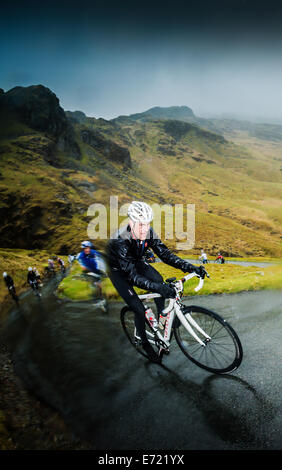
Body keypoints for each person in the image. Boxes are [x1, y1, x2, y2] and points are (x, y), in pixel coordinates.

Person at [106, 201, 204, 363]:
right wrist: (159, 288)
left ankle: (161, 318)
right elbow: (132, 277)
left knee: (158, 280)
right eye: (141, 225)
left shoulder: (148, 231)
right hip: (119, 271)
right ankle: (144, 343)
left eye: (147, 224)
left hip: (136, 261)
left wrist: (190, 267)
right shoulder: (120, 240)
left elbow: (165, 254)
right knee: (137, 308)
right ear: (131, 222)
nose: (145, 229)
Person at [77, 241, 107, 308]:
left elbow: (100, 260)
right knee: (95, 284)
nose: (87, 250)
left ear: (90, 248)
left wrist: (103, 270)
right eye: (85, 248)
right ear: (83, 249)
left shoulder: (94, 252)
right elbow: (83, 267)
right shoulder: (81, 256)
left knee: (100, 286)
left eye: (88, 248)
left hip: (98, 270)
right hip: (89, 272)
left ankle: (101, 298)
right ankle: (96, 298)